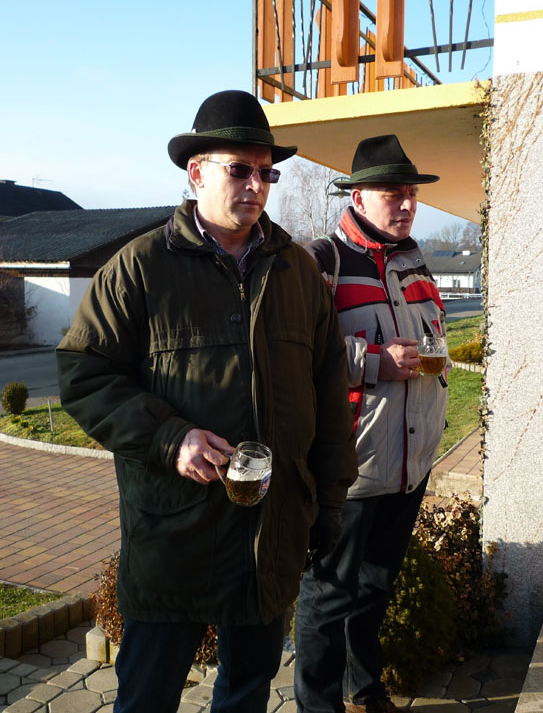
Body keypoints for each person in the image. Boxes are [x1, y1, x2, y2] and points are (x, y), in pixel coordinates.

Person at [56, 89, 358, 713]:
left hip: (270, 534)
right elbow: (84, 373)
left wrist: (327, 503)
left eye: (267, 172)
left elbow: (329, 395)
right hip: (176, 537)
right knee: (147, 698)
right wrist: (172, 439)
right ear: (196, 173)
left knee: (246, 693)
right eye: (239, 169)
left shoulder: (298, 272)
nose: (256, 185)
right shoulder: (140, 268)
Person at [295, 134, 449, 713]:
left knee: (376, 587)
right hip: (353, 469)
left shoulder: (415, 263)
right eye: (392, 194)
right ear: (358, 197)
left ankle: (363, 687)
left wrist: (434, 357)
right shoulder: (322, 262)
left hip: (410, 467)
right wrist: (375, 361)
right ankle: (319, 705)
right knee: (327, 597)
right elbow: (296, 354)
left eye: (411, 194)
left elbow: (434, 340)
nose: (406, 205)